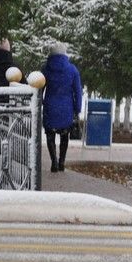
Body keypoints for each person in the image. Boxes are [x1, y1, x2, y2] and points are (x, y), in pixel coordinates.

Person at [41, 42, 82, 173]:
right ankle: (62, 162)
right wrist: (77, 108)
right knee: (65, 135)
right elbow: (78, 91)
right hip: (67, 107)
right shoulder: (72, 69)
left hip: (50, 105)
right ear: (64, 54)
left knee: (50, 134)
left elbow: (39, 89)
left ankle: (54, 162)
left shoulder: (46, 69)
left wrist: (41, 102)